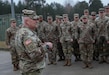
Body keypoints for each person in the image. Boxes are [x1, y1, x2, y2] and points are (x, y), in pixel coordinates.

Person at [15, 9, 52, 75]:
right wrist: (47, 46)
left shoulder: (21, 31)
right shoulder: (27, 35)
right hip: (32, 70)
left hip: (27, 68)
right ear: (27, 21)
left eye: (37, 19)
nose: (37, 21)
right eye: (34, 19)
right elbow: (34, 55)